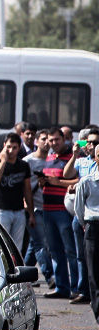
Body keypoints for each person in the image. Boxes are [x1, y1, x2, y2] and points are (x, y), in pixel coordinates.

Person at [40, 127, 79, 299]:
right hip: (47, 210)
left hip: (63, 211)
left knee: (71, 250)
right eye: (51, 140)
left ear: (64, 139)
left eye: (57, 139)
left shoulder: (73, 157)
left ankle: (76, 288)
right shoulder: (49, 157)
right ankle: (61, 287)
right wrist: (43, 182)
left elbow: (79, 180)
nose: (54, 143)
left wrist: (59, 182)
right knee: (54, 251)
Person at [62, 129, 99, 304]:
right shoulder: (81, 161)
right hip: (83, 217)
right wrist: (74, 155)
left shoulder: (96, 163)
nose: (91, 145)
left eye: (95, 142)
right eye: (88, 142)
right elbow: (67, 174)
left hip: (92, 216)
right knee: (81, 255)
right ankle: (83, 290)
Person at [0, 133, 34, 252]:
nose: (11, 151)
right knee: (1, 244)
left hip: (19, 210)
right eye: (8, 147)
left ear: (19, 148)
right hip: (2, 210)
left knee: (17, 247)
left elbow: (27, 190)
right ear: (4, 145)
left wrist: (31, 214)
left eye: (14, 148)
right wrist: (3, 162)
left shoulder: (23, 165)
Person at [23, 130, 55, 288]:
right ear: (36, 141)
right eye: (43, 139)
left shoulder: (52, 160)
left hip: (49, 207)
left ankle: (23, 276)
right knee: (41, 244)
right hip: (33, 209)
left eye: (49, 140)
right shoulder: (27, 161)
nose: (47, 143)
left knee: (34, 243)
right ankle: (50, 277)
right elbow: (23, 186)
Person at [74, 144, 99, 324]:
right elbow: (79, 208)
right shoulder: (87, 181)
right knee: (94, 273)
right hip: (93, 226)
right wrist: (85, 225)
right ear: (95, 158)